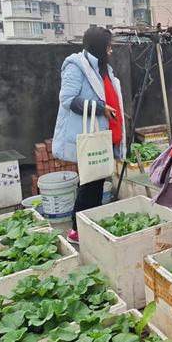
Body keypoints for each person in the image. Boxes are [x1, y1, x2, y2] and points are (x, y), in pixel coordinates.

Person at [52, 26, 126, 244]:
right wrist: (100, 108)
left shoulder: (102, 68)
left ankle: (89, 223)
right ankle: (77, 230)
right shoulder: (76, 66)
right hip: (89, 134)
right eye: (108, 47)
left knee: (95, 181)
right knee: (90, 182)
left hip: (104, 132)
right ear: (99, 47)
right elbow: (68, 100)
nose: (111, 51)